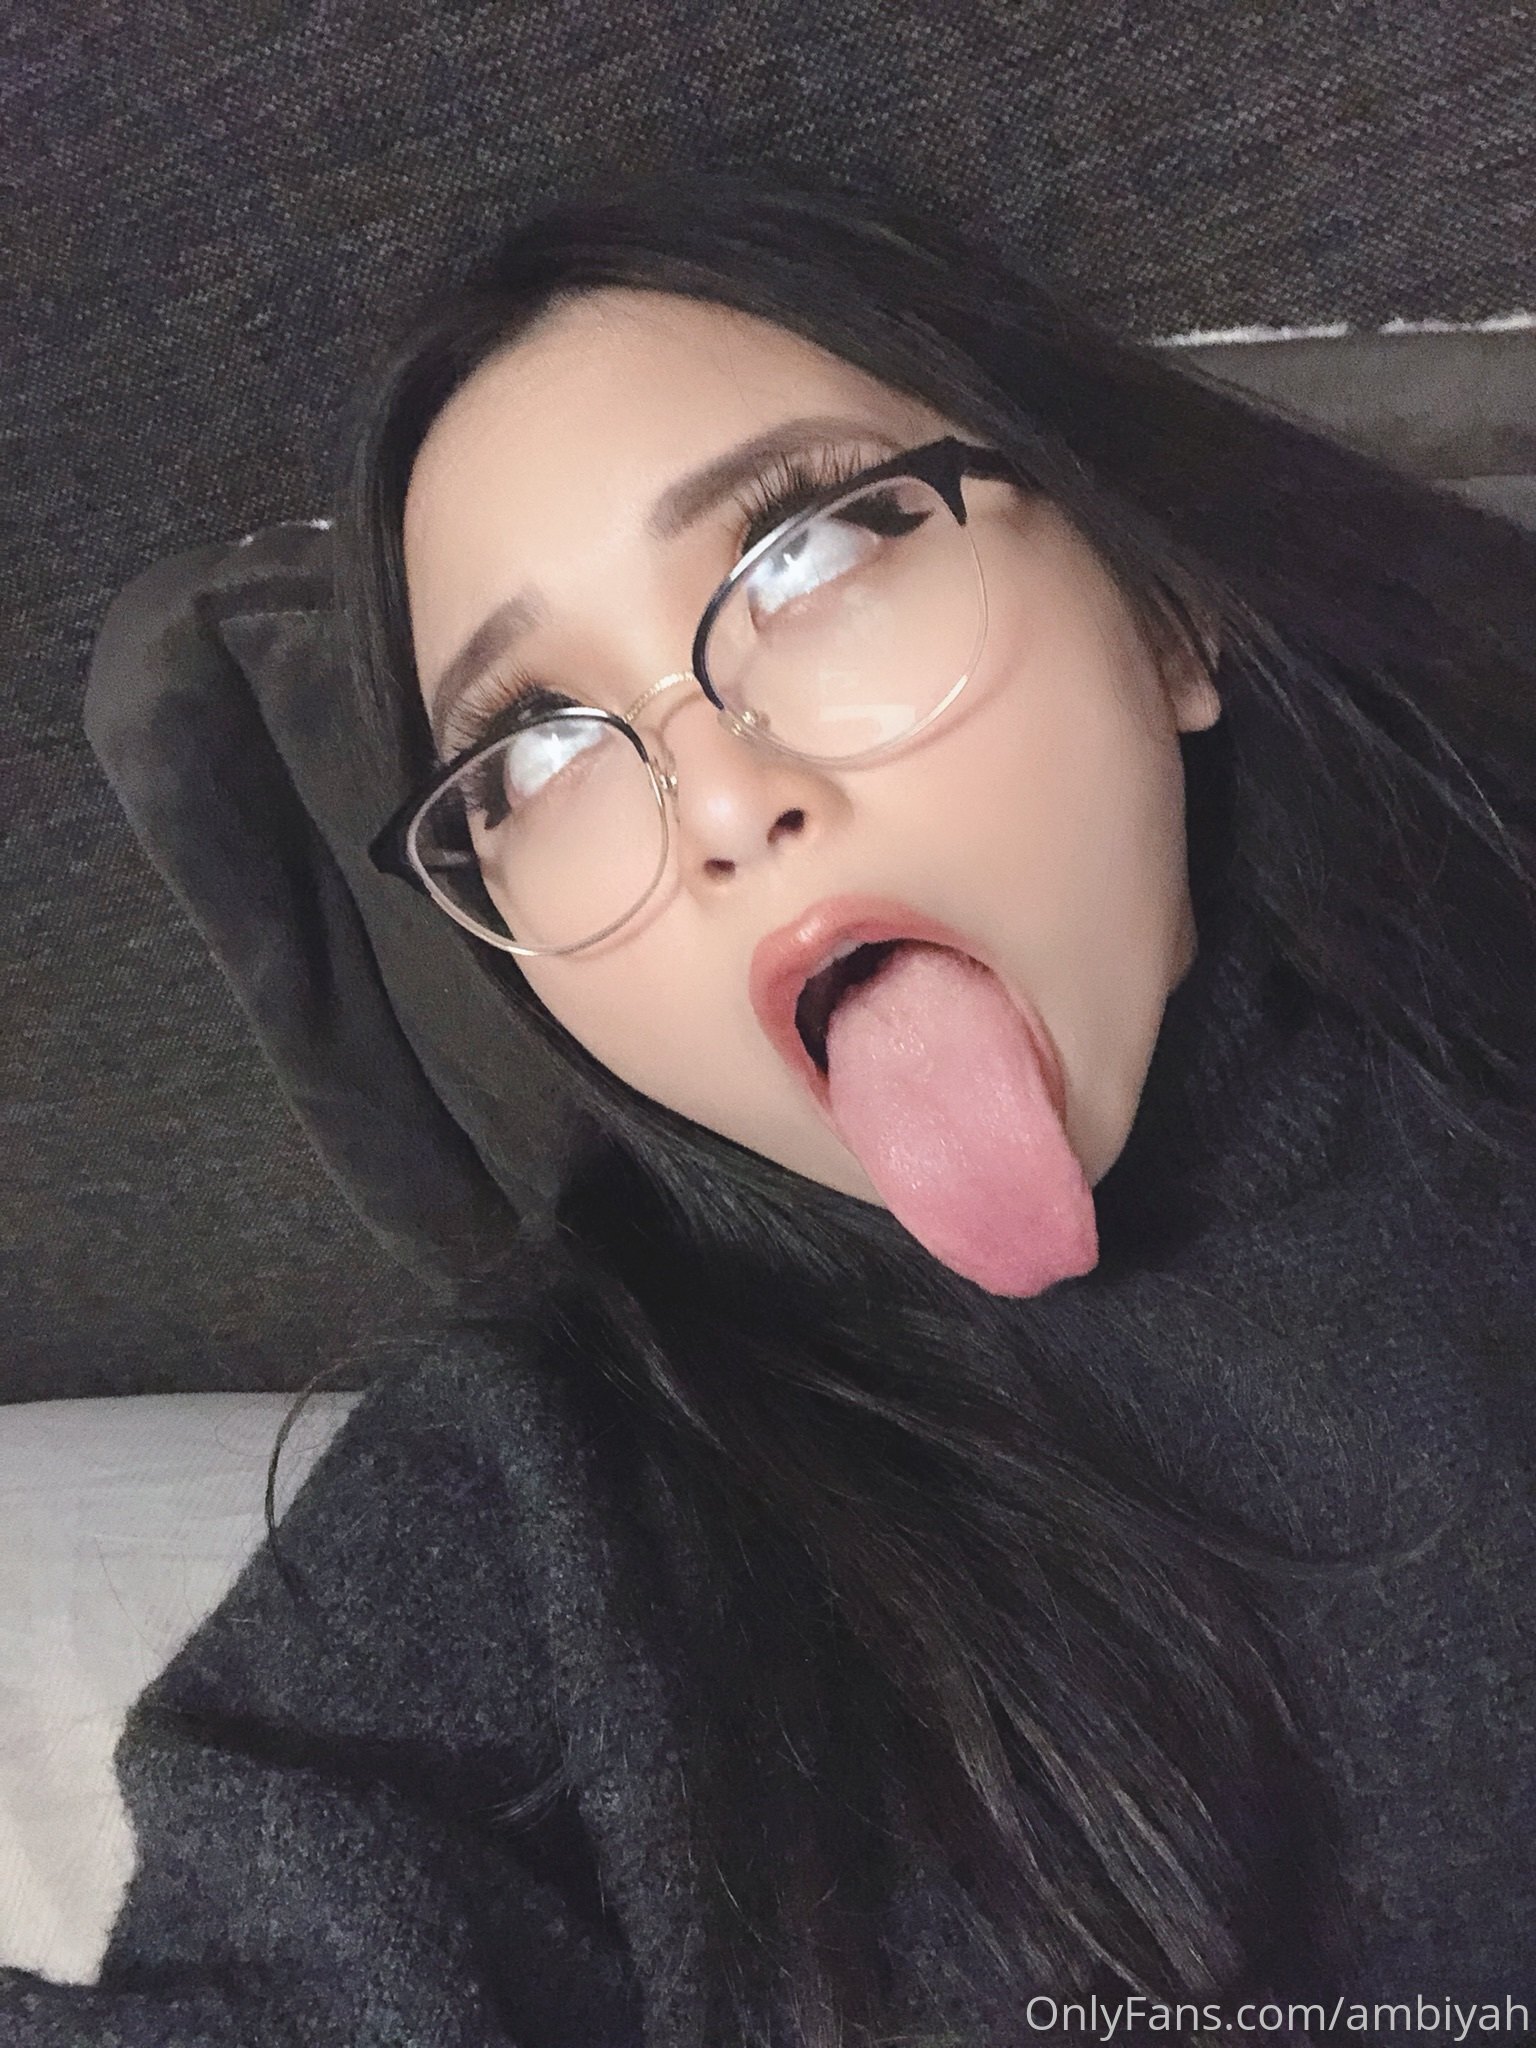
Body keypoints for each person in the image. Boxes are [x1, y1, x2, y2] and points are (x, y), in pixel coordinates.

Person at [5, 166, 1535, 2046]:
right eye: (530, 750)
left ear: (1159, 618)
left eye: (810, 552)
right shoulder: (548, 1500)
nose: (723, 802)